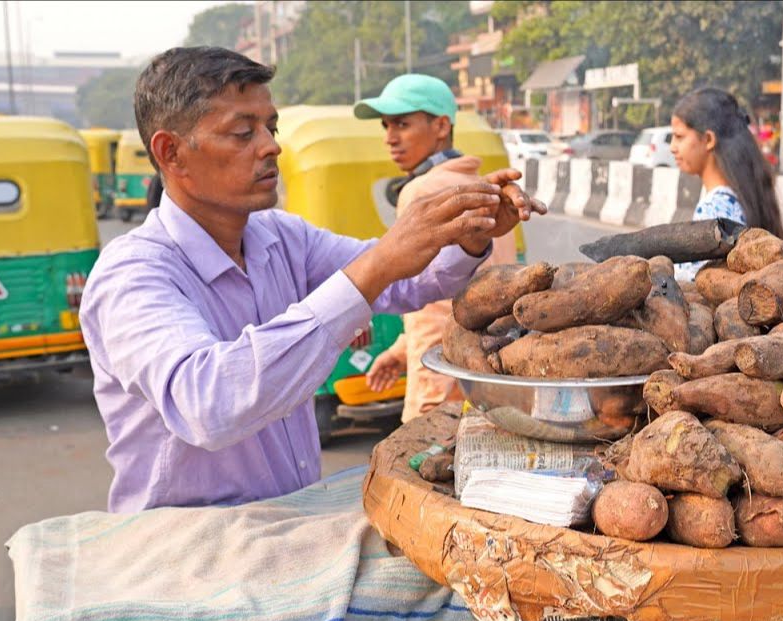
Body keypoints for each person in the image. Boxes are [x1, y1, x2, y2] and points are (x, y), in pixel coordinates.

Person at [79, 48, 543, 512]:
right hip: (189, 544)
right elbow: (210, 403)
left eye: (270, 128)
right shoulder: (133, 273)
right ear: (171, 152)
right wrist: (380, 261)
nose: (270, 146)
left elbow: (406, 282)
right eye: (243, 132)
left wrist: (469, 236)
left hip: (287, 522)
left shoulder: (282, 236)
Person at [360, 74, 524, 423]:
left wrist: (430, 385)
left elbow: (433, 301)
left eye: (402, 124)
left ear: (441, 126)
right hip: (487, 369)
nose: (390, 137)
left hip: (441, 374)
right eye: (386, 125)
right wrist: (401, 349)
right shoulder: (482, 186)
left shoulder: (421, 191)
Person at [669, 87, 783, 280]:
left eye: (679, 136)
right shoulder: (740, 198)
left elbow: (695, 287)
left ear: (708, 140)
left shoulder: (714, 210)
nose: (672, 147)